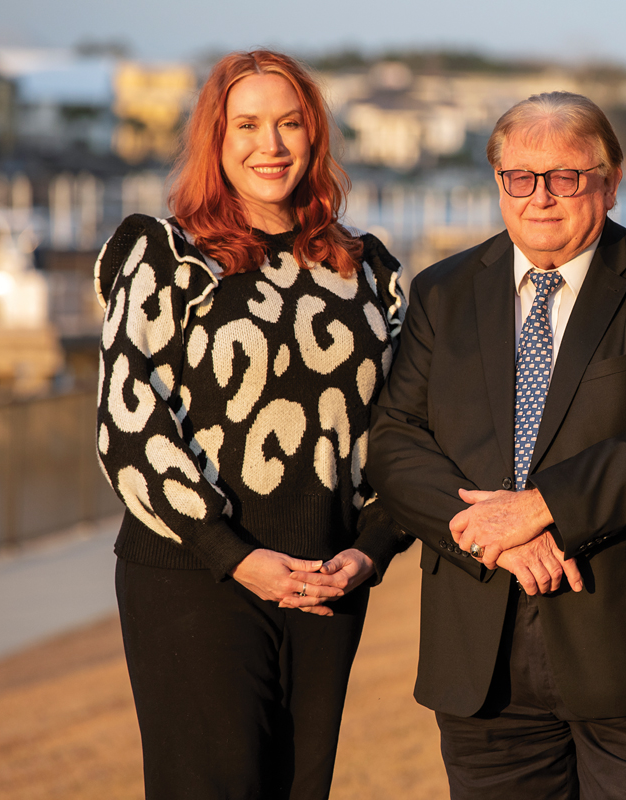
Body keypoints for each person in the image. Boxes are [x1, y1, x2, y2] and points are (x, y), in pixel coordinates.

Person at [367, 91, 626, 799]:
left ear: (611, 181)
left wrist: (541, 507)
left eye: (565, 176)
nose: (541, 197)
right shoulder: (443, 292)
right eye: (520, 177)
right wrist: (492, 534)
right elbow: (395, 440)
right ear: (498, 181)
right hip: (482, 660)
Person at [93, 50, 409, 799]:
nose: (270, 145)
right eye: (247, 125)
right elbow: (128, 428)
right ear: (215, 138)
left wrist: (369, 552)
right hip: (194, 578)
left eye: (289, 124)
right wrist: (234, 556)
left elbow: (405, 432)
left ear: (315, 137)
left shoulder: (369, 272)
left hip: (327, 586)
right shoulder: (163, 255)